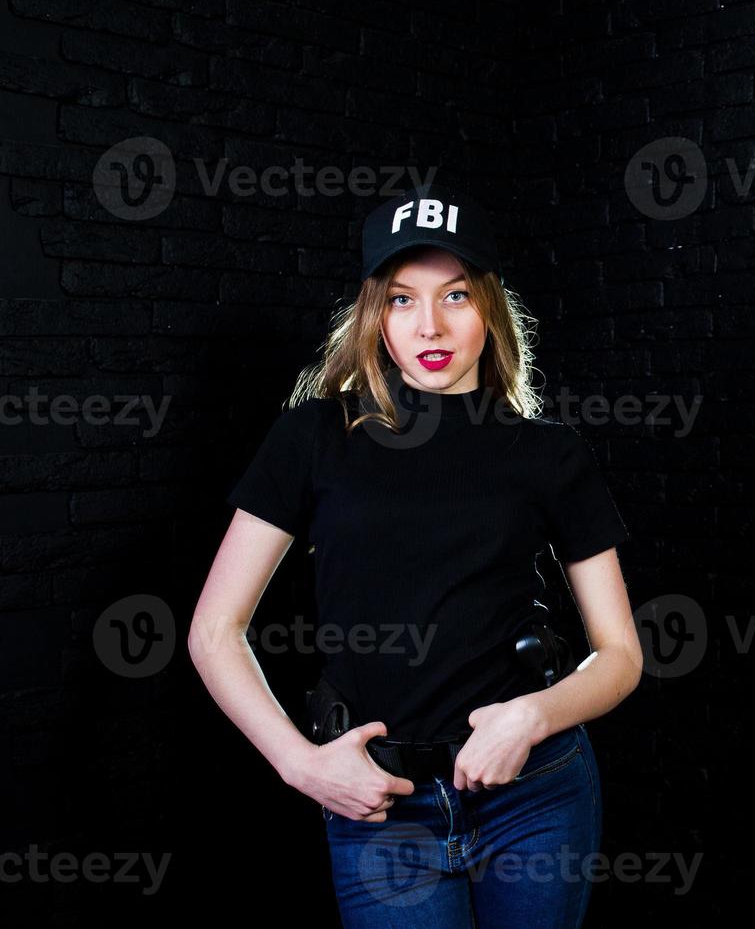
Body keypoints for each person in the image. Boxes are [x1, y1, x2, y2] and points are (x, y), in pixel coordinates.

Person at [188, 183, 641, 928]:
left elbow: (620, 653)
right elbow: (214, 631)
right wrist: (299, 764)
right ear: (375, 315)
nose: (429, 323)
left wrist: (531, 717)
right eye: (402, 299)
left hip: (535, 797)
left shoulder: (551, 454)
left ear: (488, 308)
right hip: (379, 807)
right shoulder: (313, 438)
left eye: (455, 295)